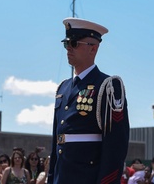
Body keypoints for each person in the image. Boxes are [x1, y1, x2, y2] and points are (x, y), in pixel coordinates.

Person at [48, 18, 130, 184]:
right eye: (66, 44)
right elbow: (57, 143)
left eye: (74, 43)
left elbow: (116, 147)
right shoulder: (63, 88)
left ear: (93, 48)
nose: (69, 48)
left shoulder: (108, 86)